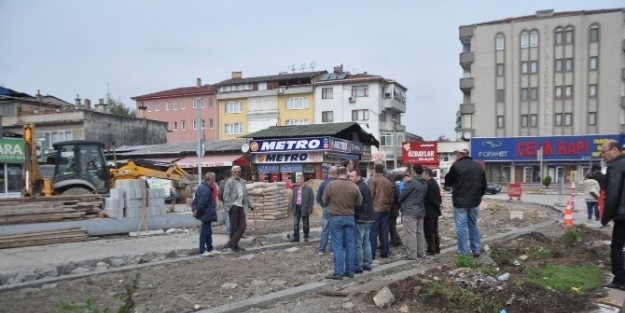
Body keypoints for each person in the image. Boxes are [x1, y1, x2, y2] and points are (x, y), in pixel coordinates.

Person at [444, 143, 487, 257]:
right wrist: (478, 196)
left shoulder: (456, 166)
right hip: (474, 201)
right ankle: (476, 249)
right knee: (473, 225)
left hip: (460, 202)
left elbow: (447, 181)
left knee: (462, 227)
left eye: (456, 154)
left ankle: (464, 252)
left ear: (459, 154)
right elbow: (484, 186)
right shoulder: (478, 166)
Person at [322, 167, 362, 280]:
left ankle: (339, 272)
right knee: (350, 245)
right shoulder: (354, 186)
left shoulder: (331, 185)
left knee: (337, 246)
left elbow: (324, 200)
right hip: (349, 217)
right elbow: (359, 202)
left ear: (336, 175)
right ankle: (350, 271)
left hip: (335, 218)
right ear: (347, 174)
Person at [600, 140, 625, 290]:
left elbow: (613, 193)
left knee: (616, 246)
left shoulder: (615, 167)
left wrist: (605, 217)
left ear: (614, 150)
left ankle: (620, 280)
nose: (602, 155)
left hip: (623, 215)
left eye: (604, 151)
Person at [399, 164, 428, 259]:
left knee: (410, 233)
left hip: (409, 210)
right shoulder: (424, 182)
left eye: (411, 170)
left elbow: (402, 194)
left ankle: (412, 254)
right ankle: (421, 253)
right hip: (420, 209)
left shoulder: (412, 182)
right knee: (420, 233)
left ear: (414, 172)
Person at [349, 169, 374, 273]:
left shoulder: (358, 187)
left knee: (358, 244)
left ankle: (359, 266)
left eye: (352, 176)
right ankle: (368, 264)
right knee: (366, 242)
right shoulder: (365, 186)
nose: (350, 178)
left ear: (358, 177)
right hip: (368, 217)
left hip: (360, 218)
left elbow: (358, 204)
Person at [223, 165, 252, 252]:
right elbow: (225, 196)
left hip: (241, 206)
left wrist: (250, 205)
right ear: (232, 173)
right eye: (235, 172)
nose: (237, 173)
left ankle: (231, 243)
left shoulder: (242, 182)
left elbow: (245, 195)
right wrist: (231, 205)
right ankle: (235, 245)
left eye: (238, 172)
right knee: (234, 227)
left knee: (243, 226)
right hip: (234, 206)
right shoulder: (229, 182)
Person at [368, 164, 395, 260]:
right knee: (384, 231)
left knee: (373, 232)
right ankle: (384, 253)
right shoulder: (388, 182)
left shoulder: (373, 180)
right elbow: (392, 196)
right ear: (382, 170)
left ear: (375, 170)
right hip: (386, 209)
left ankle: (372, 254)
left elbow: (370, 194)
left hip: (376, 209)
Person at [374, 159, 402, 248]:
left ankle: (394, 241)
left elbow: (394, 190)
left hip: (390, 205)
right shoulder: (375, 176)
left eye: (375, 165)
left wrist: (396, 203)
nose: (373, 166)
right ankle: (393, 240)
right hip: (382, 205)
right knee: (386, 226)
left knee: (390, 225)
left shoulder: (388, 176)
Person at [192, 172, 220, 256]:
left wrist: (195, 210)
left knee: (208, 231)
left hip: (205, 213)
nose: (214, 180)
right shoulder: (206, 189)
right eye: (214, 179)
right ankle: (202, 250)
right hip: (206, 213)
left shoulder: (201, 187)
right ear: (211, 179)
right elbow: (202, 203)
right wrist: (198, 213)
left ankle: (210, 248)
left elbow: (195, 200)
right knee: (205, 232)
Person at [316, 166, 337, 255]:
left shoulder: (323, 184)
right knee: (334, 230)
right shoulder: (337, 183)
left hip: (326, 208)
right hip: (336, 209)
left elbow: (318, 198)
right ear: (336, 174)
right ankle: (332, 250)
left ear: (328, 174)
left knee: (325, 229)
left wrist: (323, 205)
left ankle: (322, 249)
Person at [423, 167, 442, 255]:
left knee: (429, 232)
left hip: (429, 212)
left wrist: (438, 204)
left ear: (427, 175)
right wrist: (439, 204)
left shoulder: (428, 184)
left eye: (423, 174)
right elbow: (438, 196)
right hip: (435, 211)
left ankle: (431, 250)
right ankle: (437, 248)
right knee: (435, 231)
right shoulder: (435, 182)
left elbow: (431, 197)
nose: (422, 176)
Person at [290, 174, 314, 242]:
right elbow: (293, 199)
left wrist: (310, 209)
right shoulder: (295, 189)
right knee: (296, 223)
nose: (296, 181)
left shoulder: (309, 189)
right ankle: (296, 237)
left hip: (305, 208)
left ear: (302, 180)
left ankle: (306, 236)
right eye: (296, 179)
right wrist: (292, 207)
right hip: (297, 208)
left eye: (298, 179)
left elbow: (311, 200)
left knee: (305, 224)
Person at [218, 170, 232, 237]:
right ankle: (232, 233)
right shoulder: (235, 182)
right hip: (234, 203)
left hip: (226, 203)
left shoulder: (223, 183)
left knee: (228, 219)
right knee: (233, 219)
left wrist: (223, 200)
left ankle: (229, 233)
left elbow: (220, 194)